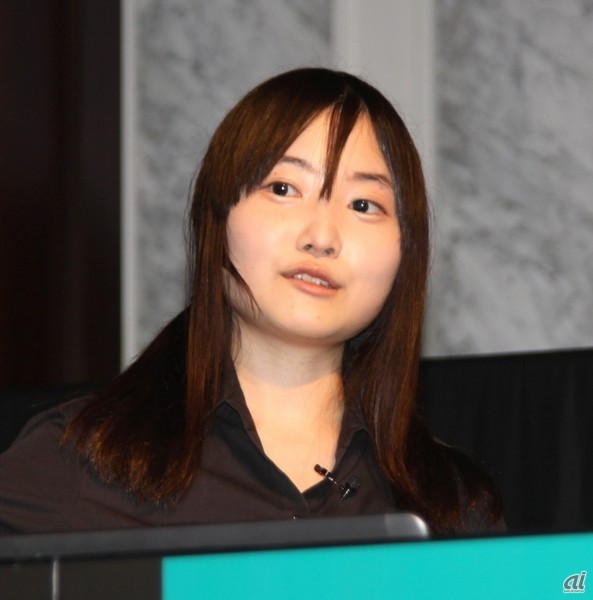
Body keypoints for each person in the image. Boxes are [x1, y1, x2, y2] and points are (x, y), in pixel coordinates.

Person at [0, 68, 503, 536]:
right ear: (216, 218)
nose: (322, 237)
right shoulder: (80, 463)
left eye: (363, 204)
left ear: (406, 252)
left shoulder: (451, 505)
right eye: (283, 188)